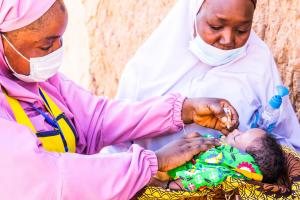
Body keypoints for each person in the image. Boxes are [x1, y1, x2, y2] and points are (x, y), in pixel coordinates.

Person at [0, 0, 241, 200]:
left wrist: (182, 110)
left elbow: (96, 119)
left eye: (60, 40)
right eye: (45, 46)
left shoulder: (43, 83)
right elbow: (45, 178)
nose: (56, 52)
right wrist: (152, 162)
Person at [112, 0, 300, 154]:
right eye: (216, 26)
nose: (228, 39)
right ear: (193, 11)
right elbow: (115, 140)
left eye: (242, 30)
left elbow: (287, 143)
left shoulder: (258, 61)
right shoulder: (147, 67)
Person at [166, 128, 285, 191]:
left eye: (237, 137)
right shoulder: (225, 153)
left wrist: (166, 184)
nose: (236, 131)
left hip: (170, 172)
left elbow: (196, 180)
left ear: (239, 158)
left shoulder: (222, 173)